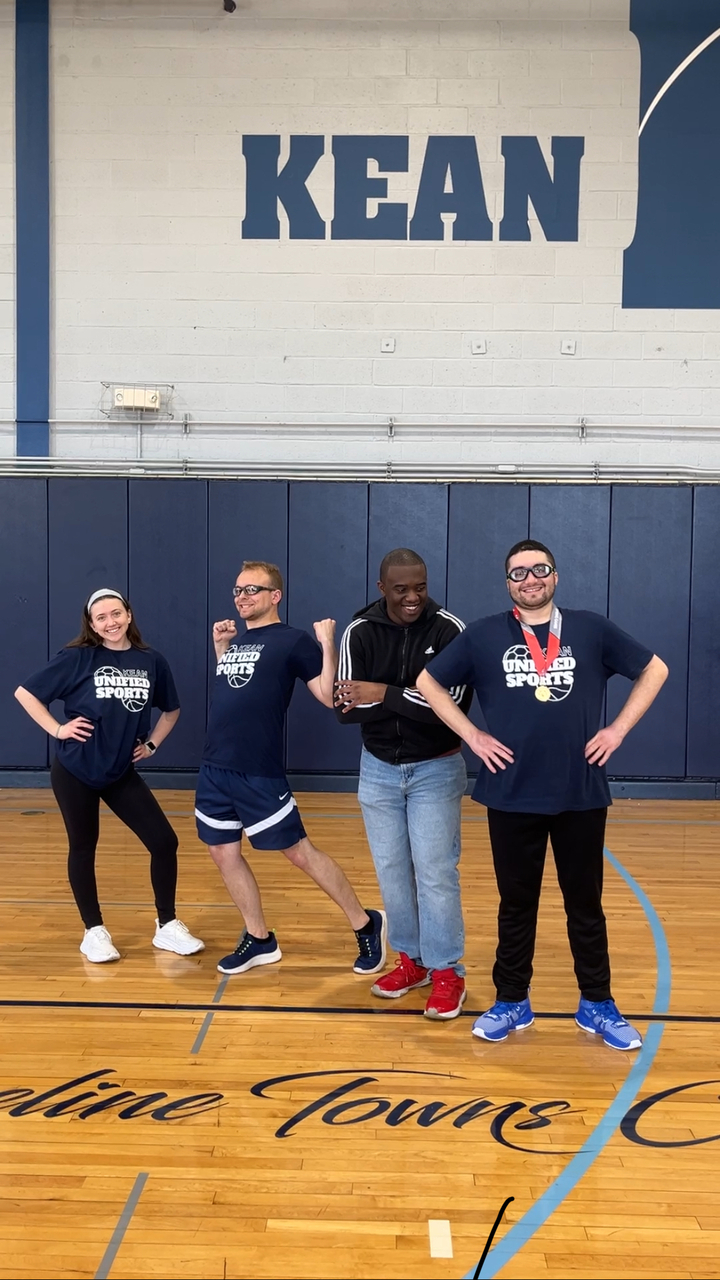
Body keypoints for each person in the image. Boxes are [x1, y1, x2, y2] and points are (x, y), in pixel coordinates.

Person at [417, 539, 669, 1051]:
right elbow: (427, 681)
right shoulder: (486, 633)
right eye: (518, 573)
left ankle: (596, 1003)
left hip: (580, 791)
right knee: (516, 905)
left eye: (539, 569)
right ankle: (512, 1000)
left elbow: (655, 669)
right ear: (507, 582)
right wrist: (473, 736)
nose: (530, 579)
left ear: (555, 575)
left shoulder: (591, 629)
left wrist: (617, 730)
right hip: (510, 792)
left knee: (586, 905)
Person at [196, 560, 386, 976]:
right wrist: (221, 650)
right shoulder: (238, 641)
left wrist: (328, 641)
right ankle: (259, 938)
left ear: (275, 595)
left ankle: (365, 921)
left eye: (252, 590)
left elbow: (326, 695)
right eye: (238, 591)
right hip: (215, 768)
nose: (242, 598)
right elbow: (236, 689)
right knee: (222, 852)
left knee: (298, 852)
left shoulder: (292, 640)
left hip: (257, 770)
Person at [14, 588, 204, 964]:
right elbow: (25, 693)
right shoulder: (77, 657)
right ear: (91, 623)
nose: (110, 622)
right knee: (84, 847)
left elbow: (172, 709)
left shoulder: (151, 660)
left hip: (119, 771)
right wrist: (57, 730)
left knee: (164, 842)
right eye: (101, 617)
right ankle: (94, 931)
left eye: (116, 614)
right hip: (75, 770)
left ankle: (167, 926)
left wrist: (151, 746)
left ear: (129, 615)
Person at [335, 548, 473, 1020]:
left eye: (420, 586)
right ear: (382, 589)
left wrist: (383, 692)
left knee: (435, 872)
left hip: (436, 767)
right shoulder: (360, 630)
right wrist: (409, 700)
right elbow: (345, 708)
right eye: (401, 589)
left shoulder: (449, 629)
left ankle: (447, 971)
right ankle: (411, 961)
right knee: (393, 871)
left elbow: (452, 708)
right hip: (378, 769)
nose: (413, 597)